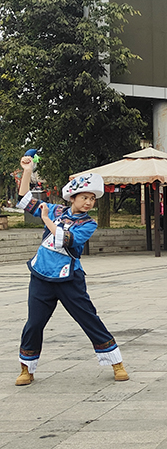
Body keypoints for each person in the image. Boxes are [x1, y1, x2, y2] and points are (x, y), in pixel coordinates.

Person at [14, 158, 128, 386]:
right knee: (34, 323)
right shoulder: (56, 209)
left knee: (88, 319)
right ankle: (27, 368)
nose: (89, 202)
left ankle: (116, 363)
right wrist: (27, 171)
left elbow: (66, 240)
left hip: (69, 279)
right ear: (72, 198)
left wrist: (46, 219)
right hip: (41, 275)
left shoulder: (89, 224)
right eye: (85, 197)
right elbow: (24, 199)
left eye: (92, 199)